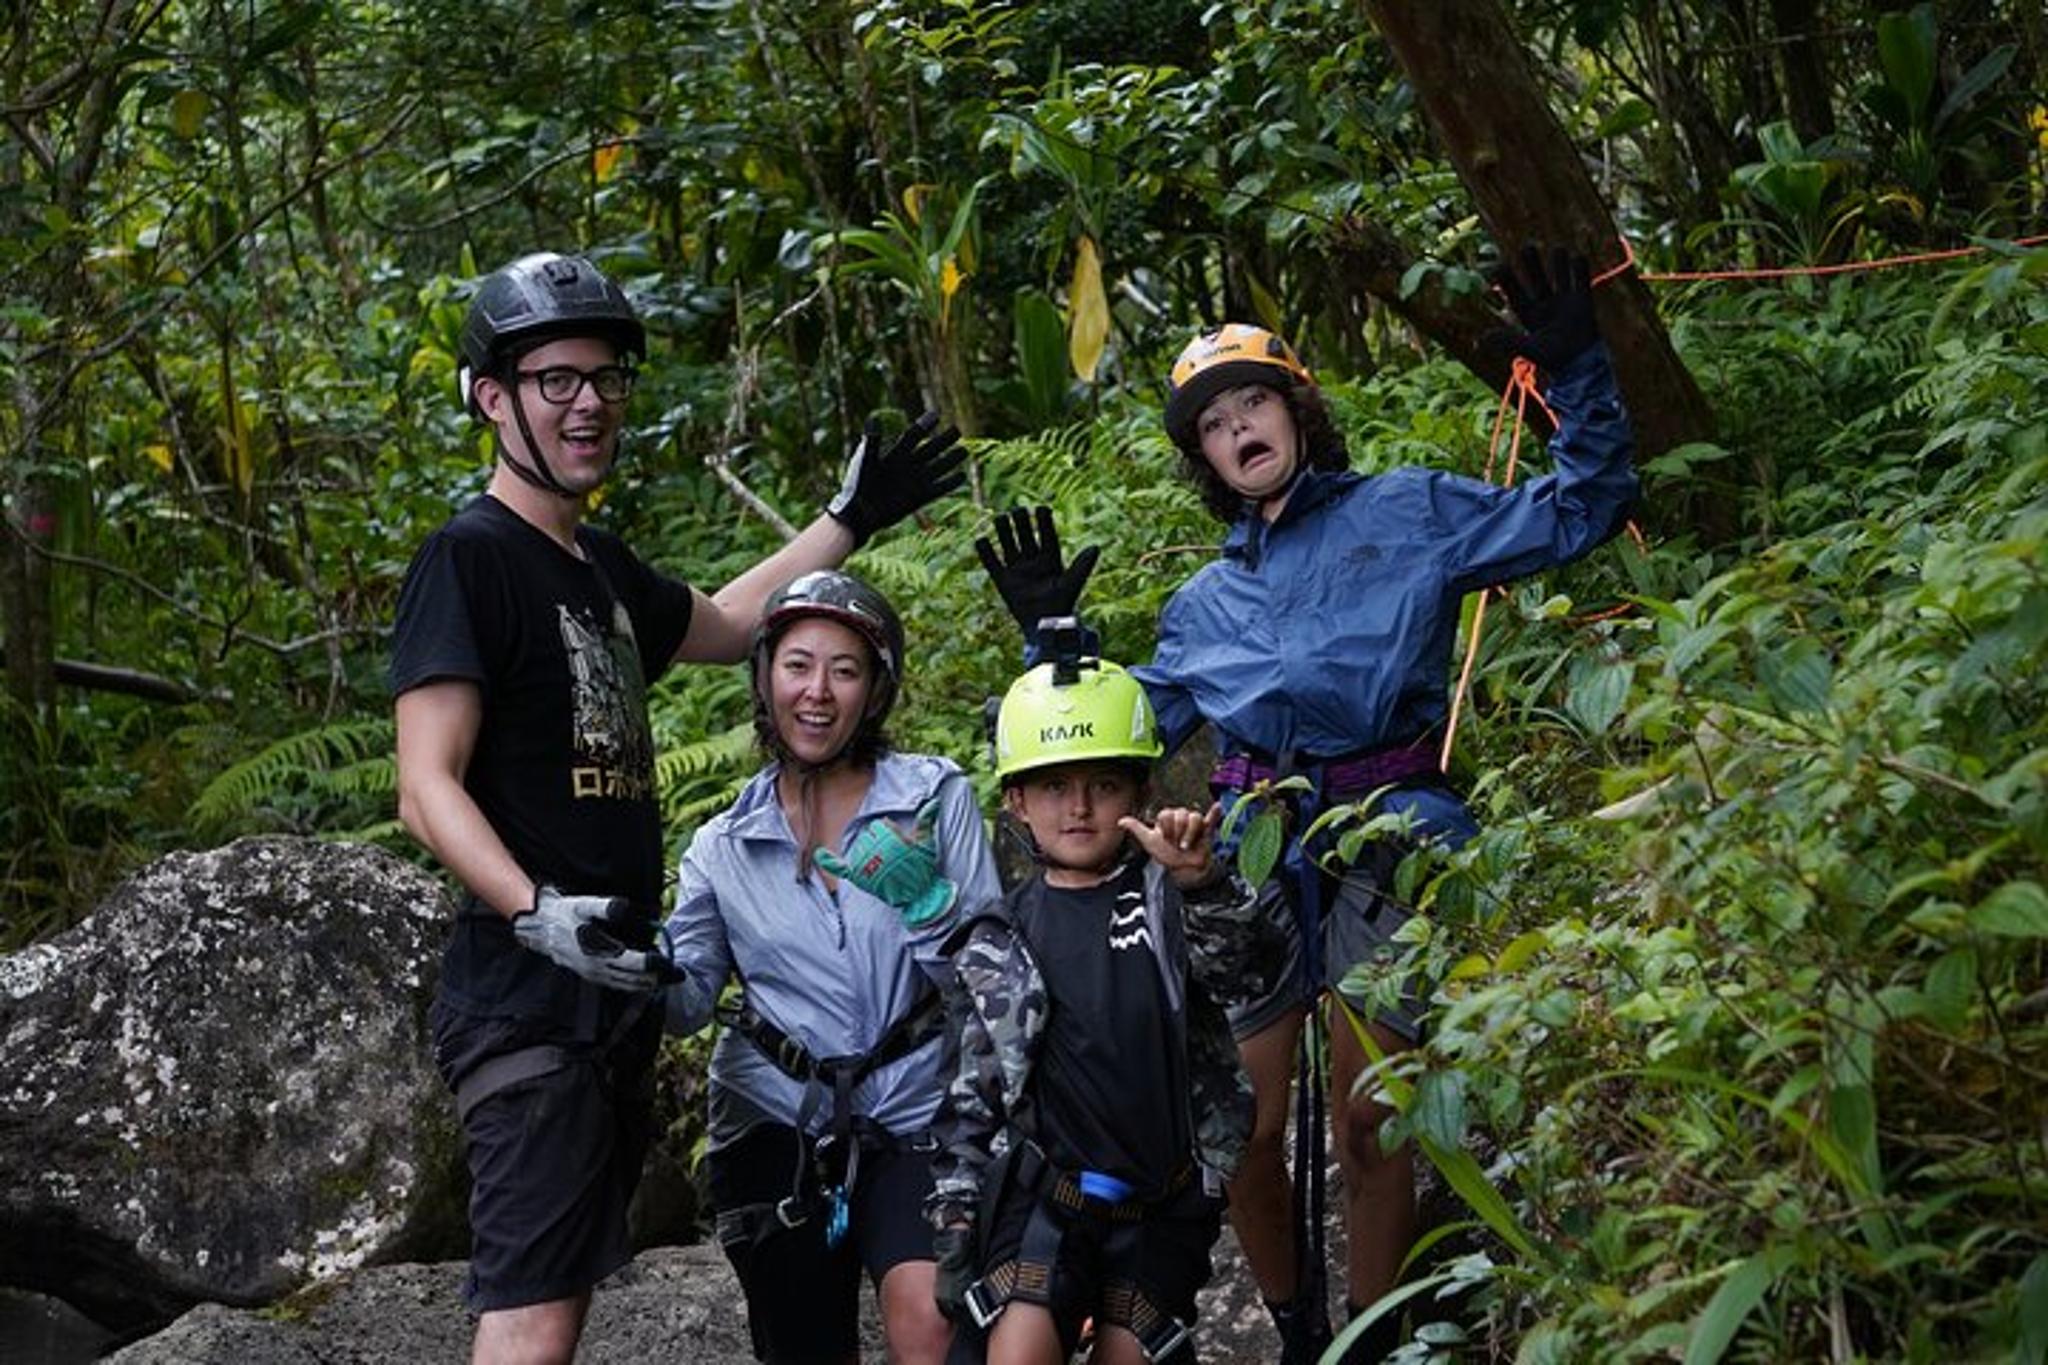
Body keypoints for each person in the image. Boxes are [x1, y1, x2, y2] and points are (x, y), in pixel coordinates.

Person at [975, 245, 1639, 1362]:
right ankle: (1292, 1330)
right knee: (1243, 1134)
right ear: (1202, 458)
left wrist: (1575, 369)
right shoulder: (1200, 606)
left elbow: (1582, 506)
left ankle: (1369, 1346)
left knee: (1369, 1123)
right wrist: (1057, 646)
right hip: (1250, 859)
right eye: (1210, 422)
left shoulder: (1408, 512)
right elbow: (1121, 728)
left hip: (1393, 830)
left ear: (1293, 410)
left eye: (1251, 401)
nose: (1236, 427)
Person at [391, 250, 965, 1365]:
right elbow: (424, 786)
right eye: (555, 380)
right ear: (490, 397)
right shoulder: (469, 559)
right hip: (528, 1001)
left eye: (604, 379)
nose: (588, 402)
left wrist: (848, 518)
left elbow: (731, 621)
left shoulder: (594, 565)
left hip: (599, 1008)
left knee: (557, 1304)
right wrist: (536, 909)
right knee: (533, 1314)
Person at [660, 569, 1003, 1365]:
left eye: (845, 670)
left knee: (933, 1321)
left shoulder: (931, 797)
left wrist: (929, 908)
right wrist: (634, 969)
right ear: (764, 676)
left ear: (875, 692)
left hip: (918, 1106)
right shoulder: (723, 844)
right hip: (773, 1116)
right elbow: (685, 1000)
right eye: (798, 664)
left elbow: (994, 984)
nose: (818, 691)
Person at [925, 638, 1285, 1365]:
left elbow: (1250, 973)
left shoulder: (1165, 897)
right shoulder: (1001, 934)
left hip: (1159, 1200)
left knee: (1132, 1351)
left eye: (1103, 784)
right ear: (1017, 800)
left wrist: (1203, 882)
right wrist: (956, 1220)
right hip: (1040, 1196)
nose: (1080, 806)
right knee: (1017, 1350)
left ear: (1140, 791)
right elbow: (972, 1092)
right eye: (1054, 786)